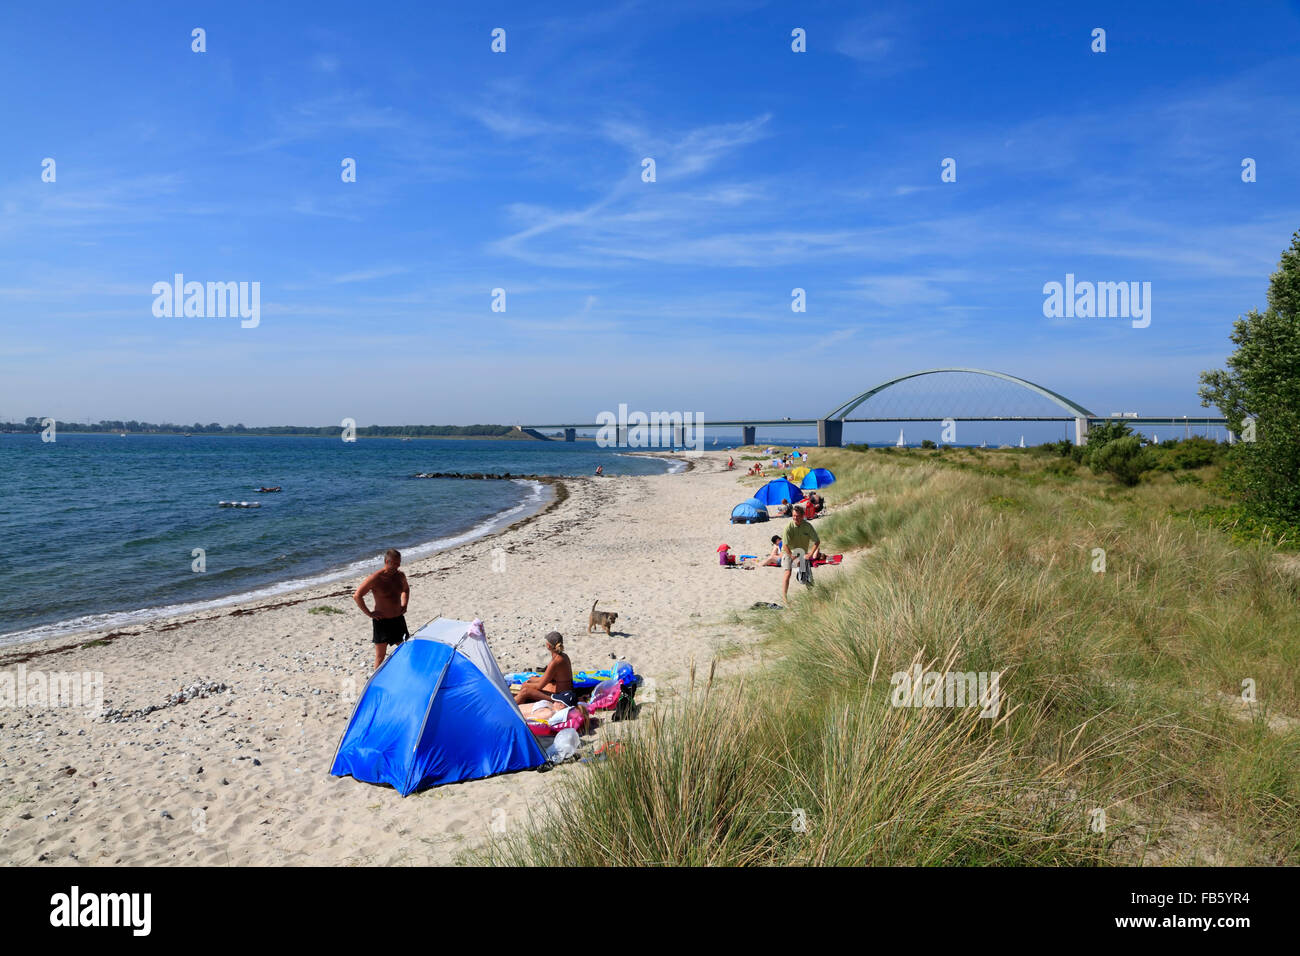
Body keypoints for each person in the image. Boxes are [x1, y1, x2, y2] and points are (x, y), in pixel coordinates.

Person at [353, 548, 411, 670]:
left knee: (406, 648)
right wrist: (369, 613)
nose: (397, 566)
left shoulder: (400, 575)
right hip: (382, 622)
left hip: (398, 619)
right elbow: (357, 595)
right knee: (380, 656)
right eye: (394, 563)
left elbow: (406, 589)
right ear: (386, 561)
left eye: (398, 563)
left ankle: (407, 672)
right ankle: (375, 681)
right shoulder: (375, 578)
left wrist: (404, 604)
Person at [515, 632, 575, 707]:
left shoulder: (555, 662)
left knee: (525, 690)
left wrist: (527, 685)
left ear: (548, 646)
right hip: (567, 692)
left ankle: (508, 707)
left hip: (562, 698)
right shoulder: (564, 656)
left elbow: (539, 686)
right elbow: (546, 678)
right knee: (532, 679)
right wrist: (531, 680)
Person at [781, 504, 822, 603]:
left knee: (807, 575)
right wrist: (792, 557)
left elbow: (817, 541)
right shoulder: (788, 527)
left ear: (803, 516)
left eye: (797, 516)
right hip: (788, 552)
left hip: (802, 554)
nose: (795, 518)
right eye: (793, 515)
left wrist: (810, 554)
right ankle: (784, 598)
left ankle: (812, 596)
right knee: (787, 573)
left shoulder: (807, 526)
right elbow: (785, 545)